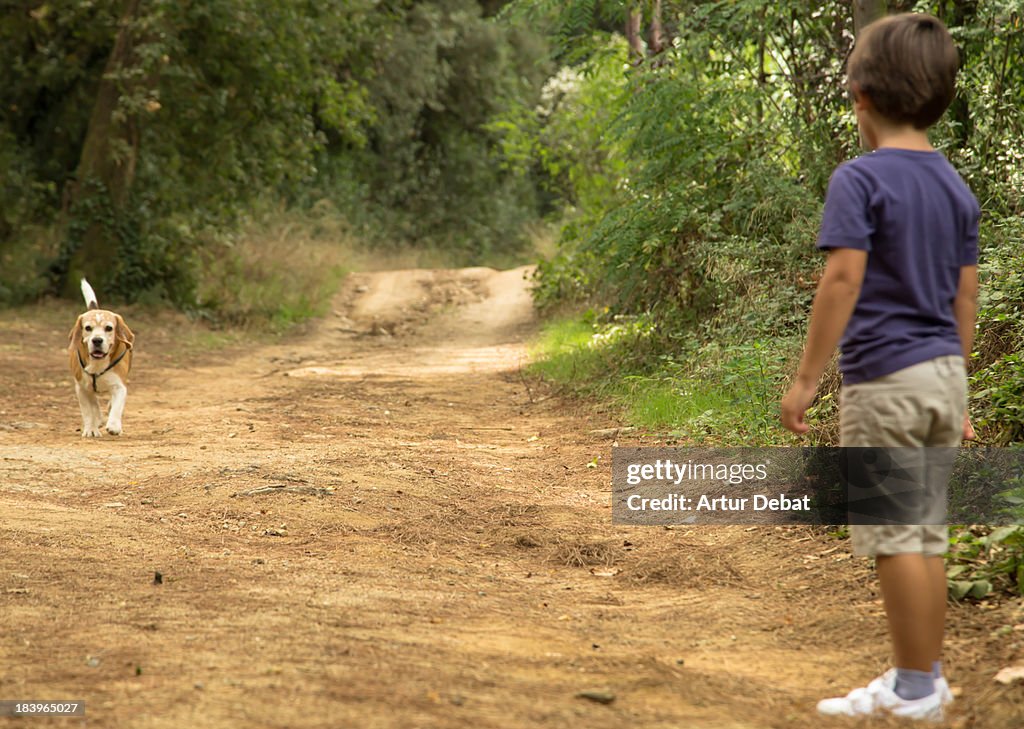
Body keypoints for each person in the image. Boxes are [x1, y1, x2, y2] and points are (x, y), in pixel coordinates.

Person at [780, 12, 979, 722]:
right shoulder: (954, 186)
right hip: (943, 376)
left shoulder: (859, 179)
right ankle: (927, 676)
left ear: (859, 95)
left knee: (894, 536)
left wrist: (807, 376)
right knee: (924, 530)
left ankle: (914, 685)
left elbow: (842, 278)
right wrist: (956, 375)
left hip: (886, 381)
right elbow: (965, 292)